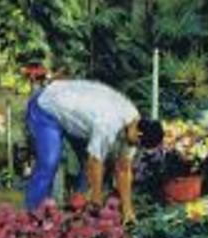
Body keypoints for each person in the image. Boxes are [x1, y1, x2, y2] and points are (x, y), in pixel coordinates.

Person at [25, 79, 164, 223]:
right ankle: (33, 216)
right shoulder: (109, 123)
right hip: (47, 106)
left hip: (74, 115)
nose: (136, 148)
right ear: (139, 134)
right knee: (49, 162)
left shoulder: (135, 123)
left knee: (87, 161)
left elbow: (123, 168)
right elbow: (95, 162)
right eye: (138, 144)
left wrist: (127, 209)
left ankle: (77, 205)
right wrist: (97, 203)